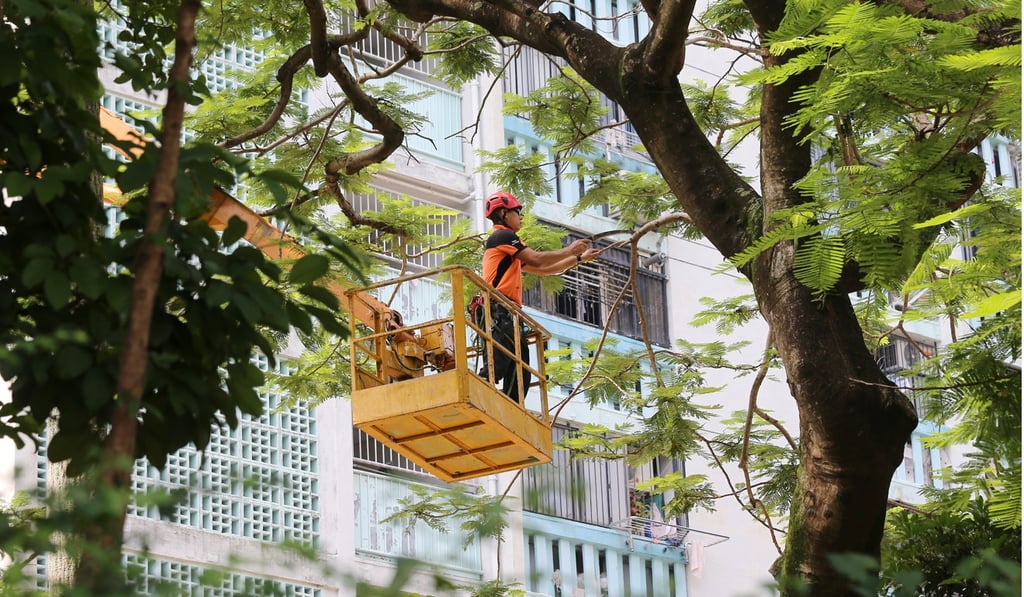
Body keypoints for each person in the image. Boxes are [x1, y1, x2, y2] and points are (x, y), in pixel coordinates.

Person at [479, 191, 600, 402]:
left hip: (511, 313)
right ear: (504, 213)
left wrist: (578, 258)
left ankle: (512, 409)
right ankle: (479, 390)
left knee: (521, 372)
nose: (521, 217)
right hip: (498, 309)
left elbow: (546, 269)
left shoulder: (511, 249)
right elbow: (537, 260)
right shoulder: (502, 236)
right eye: (518, 212)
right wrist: (569, 250)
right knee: (496, 365)